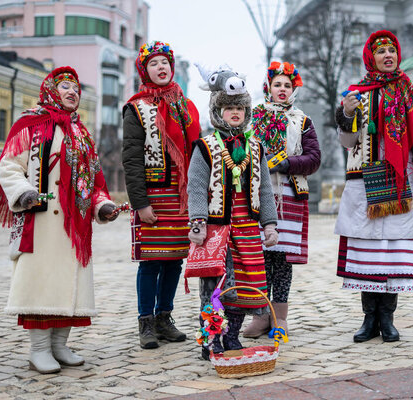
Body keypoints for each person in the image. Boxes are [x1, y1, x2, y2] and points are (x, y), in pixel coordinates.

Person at [0, 66, 118, 374]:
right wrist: (24, 193)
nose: (72, 92)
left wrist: (102, 206)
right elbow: (9, 165)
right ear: (51, 90)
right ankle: (38, 349)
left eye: (76, 88)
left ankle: (60, 345)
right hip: (42, 220)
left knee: (69, 284)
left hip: (75, 226)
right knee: (42, 283)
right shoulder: (31, 124)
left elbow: (95, 182)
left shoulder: (82, 134)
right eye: (65, 87)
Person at [334, 31, 413, 343]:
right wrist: (347, 113)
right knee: (369, 252)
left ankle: (388, 318)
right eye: (381, 51)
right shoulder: (356, 93)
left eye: (392, 50)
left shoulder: (409, 93)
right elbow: (347, 142)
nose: (388, 56)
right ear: (371, 57)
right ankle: (369, 318)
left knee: (393, 252)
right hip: (365, 184)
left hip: (399, 183)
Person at [187, 66, 278, 360]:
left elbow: (264, 189)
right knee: (216, 286)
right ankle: (211, 338)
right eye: (228, 108)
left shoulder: (255, 147)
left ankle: (234, 336)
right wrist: (198, 221)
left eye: (239, 107)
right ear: (218, 112)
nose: (235, 113)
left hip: (248, 228)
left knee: (246, 285)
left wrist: (270, 224)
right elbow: (197, 187)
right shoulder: (205, 146)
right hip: (217, 229)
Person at [122, 41, 201, 349]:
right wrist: (140, 203)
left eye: (164, 62)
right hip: (154, 197)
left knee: (174, 260)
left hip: (180, 196)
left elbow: (197, 153)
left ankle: (164, 318)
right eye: (153, 63)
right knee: (151, 261)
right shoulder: (136, 107)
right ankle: (145, 321)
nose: (161, 67)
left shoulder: (186, 106)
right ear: (145, 71)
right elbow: (131, 159)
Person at [244, 61, 321, 338]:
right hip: (259, 195)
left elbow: (313, 158)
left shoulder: (302, 121)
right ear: (268, 87)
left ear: (293, 89)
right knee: (260, 257)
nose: (282, 89)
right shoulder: (252, 117)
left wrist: (285, 163)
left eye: (287, 85)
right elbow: (241, 148)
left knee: (283, 260)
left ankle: (281, 317)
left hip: (289, 194)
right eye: (277, 84)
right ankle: (260, 316)